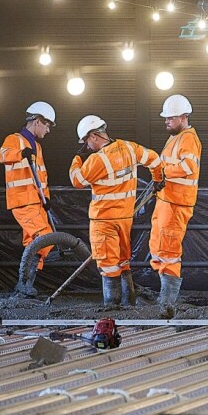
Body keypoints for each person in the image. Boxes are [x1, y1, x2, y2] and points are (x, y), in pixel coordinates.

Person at [69, 115, 164, 306]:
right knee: (122, 262)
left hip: (104, 222)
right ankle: (129, 304)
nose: (88, 146)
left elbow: (77, 180)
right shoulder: (129, 148)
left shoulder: (98, 160)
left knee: (108, 266)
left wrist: (77, 159)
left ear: (94, 136)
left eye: (87, 141)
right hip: (124, 219)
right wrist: (157, 178)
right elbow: (154, 159)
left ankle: (112, 308)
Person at [150, 94, 202, 317]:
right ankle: (164, 295)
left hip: (177, 203)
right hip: (166, 201)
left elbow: (188, 166)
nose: (166, 122)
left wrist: (163, 173)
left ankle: (167, 300)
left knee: (169, 250)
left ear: (183, 117)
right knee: (158, 247)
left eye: (170, 118)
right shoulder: (175, 138)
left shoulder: (189, 138)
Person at [0, 101, 56, 272]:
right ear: (37, 121)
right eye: (47, 125)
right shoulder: (14, 139)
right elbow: (2, 155)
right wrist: (20, 153)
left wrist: (46, 199)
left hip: (37, 202)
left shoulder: (37, 146)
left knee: (32, 243)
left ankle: (26, 285)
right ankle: (25, 283)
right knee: (44, 238)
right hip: (22, 200)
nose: (48, 130)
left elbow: (41, 176)